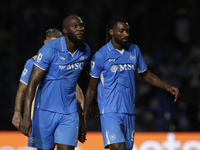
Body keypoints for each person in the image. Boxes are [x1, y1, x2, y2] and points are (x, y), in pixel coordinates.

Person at [80, 17, 180, 150]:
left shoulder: (134, 50)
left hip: (128, 109)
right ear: (111, 32)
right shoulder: (101, 55)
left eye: (127, 31)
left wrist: (167, 86)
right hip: (109, 110)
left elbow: (145, 74)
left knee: (125, 148)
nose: (126, 34)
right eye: (121, 31)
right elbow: (91, 89)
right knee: (118, 147)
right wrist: (85, 120)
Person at [19, 15, 90, 150]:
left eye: (81, 26)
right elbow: (32, 83)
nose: (80, 29)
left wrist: (83, 116)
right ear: (65, 30)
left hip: (69, 113)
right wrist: (26, 115)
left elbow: (83, 77)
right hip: (45, 112)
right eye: (75, 26)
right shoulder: (49, 50)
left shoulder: (85, 50)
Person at [12, 28, 64, 129]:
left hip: (61, 115)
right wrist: (17, 113)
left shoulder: (65, 64)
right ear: (45, 43)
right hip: (38, 117)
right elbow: (21, 90)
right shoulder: (32, 63)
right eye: (51, 44)